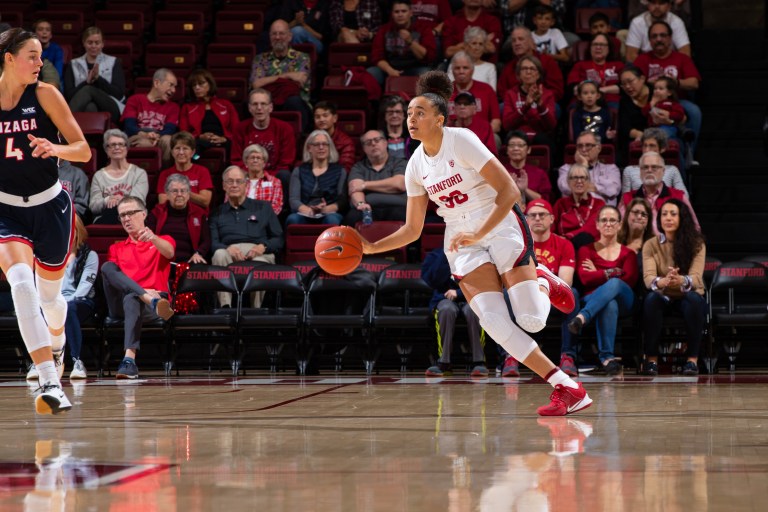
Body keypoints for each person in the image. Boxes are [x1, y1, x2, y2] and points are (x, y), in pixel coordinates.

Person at [361, 71, 591, 416]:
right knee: (495, 323)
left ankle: (542, 279)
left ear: (439, 119)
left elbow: (510, 191)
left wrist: (481, 231)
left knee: (531, 320)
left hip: (499, 224)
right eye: (408, 113)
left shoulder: (462, 140)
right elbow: (411, 230)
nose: (411, 118)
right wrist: (367, 249)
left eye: (419, 112)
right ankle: (566, 387)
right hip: (461, 239)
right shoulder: (414, 167)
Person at [0, 28, 91, 414]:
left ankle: (57, 346)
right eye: (33, 56)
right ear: (9, 58)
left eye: (41, 56)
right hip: (5, 209)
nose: (41, 63)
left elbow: (84, 151)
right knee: (21, 285)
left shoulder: (46, 95)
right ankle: (50, 382)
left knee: (51, 300)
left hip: (50, 206)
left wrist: (55, 147)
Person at [501, 199, 577, 378]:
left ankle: (568, 356)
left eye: (542, 215)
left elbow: (566, 281)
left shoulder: (564, 244)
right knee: (504, 295)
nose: (537, 218)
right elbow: (507, 280)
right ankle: (510, 356)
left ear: (551, 219)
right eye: (532, 215)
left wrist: (541, 289)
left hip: (553, 297)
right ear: (525, 220)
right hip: (522, 294)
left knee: (573, 294)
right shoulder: (516, 245)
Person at [102, 196, 176, 379]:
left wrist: (153, 238)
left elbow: (170, 252)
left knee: (131, 298)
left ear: (143, 214)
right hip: (132, 302)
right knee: (107, 267)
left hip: (153, 306)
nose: (126, 219)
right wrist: (145, 293)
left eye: (130, 213)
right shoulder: (117, 248)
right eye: (122, 215)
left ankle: (129, 360)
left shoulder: (162, 240)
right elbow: (114, 280)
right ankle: (147, 298)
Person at [568, 206, 639, 376]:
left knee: (615, 284)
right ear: (597, 225)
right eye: (604, 220)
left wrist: (599, 274)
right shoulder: (586, 250)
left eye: (612, 220)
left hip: (625, 299)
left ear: (619, 225)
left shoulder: (628, 253)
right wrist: (614, 271)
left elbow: (628, 280)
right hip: (593, 298)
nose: (608, 224)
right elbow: (585, 278)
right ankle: (607, 358)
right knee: (609, 303)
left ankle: (582, 317)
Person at [641, 198, 706, 376]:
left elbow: (696, 278)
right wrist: (662, 282)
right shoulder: (651, 244)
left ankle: (692, 361)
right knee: (651, 299)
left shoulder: (697, 243)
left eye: (673, 214)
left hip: (687, 295)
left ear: (682, 217)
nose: (668, 218)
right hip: (664, 295)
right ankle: (652, 360)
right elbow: (648, 278)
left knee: (694, 300)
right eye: (664, 214)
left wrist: (682, 280)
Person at [210, 166, 284, 308]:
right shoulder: (217, 212)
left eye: (239, 181)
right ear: (224, 186)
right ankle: (225, 308)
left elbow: (279, 238)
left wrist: (263, 247)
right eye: (230, 181)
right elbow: (213, 243)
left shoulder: (263, 207)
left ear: (246, 184)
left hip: (259, 251)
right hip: (229, 251)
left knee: (259, 262)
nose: (234, 185)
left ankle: (256, 310)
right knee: (219, 254)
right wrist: (227, 248)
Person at [422, 248, 488, 377]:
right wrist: (445, 255)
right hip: (444, 298)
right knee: (446, 310)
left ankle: (479, 362)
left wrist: (458, 293)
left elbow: (483, 281)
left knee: (473, 310)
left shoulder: (477, 253)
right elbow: (433, 280)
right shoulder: (435, 255)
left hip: (471, 297)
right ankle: (444, 362)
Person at [250, 20, 312, 132]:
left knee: (294, 101)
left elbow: (300, 80)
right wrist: (288, 75)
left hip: (292, 103)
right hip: (267, 102)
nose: (277, 37)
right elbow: (256, 84)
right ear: (269, 37)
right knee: (252, 102)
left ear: (289, 36)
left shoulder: (302, 58)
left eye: (281, 33)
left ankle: (297, 139)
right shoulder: (260, 59)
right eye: (274, 34)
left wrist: (269, 80)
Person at [618, 151, 699, 234]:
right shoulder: (627, 198)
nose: (649, 170)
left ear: (663, 171)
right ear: (640, 172)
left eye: (654, 167)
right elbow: (619, 229)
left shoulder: (678, 196)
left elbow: (694, 228)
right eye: (645, 167)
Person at [60, 215, 98, 380]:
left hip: (81, 302)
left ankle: (77, 360)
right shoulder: (49, 255)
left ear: (78, 231)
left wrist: (60, 305)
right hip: (55, 302)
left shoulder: (90, 255)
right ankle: (38, 363)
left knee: (68, 309)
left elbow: (84, 288)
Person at [63, 26, 126, 125]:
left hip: (111, 106)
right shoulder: (73, 64)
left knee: (88, 89)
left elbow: (119, 94)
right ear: (84, 43)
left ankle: (63, 123)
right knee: (90, 106)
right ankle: (94, 139)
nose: (93, 46)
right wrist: (86, 82)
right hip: (84, 107)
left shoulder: (114, 62)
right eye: (90, 42)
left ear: (102, 44)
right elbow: (69, 95)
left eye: (97, 43)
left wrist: (98, 79)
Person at [366, 0, 437, 87]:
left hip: (415, 67)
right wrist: (390, 70)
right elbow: (377, 57)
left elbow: (429, 56)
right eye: (396, 12)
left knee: (426, 74)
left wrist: (410, 41)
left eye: (404, 11)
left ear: (410, 13)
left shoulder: (423, 29)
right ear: (392, 14)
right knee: (371, 73)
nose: (400, 14)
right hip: (391, 67)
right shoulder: (384, 30)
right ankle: (374, 100)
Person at [346, 130, 407, 226]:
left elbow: (399, 184)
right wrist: (361, 204)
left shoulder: (400, 163)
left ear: (385, 143)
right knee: (352, 217)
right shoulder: (358, 167)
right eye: (368, 142)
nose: (373, 144)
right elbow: (355, 188)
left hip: (398, 207)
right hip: (368, 208)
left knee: (409, 218)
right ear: (364, 148)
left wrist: (364, 185)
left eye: (377, 140)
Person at [230, 88, 296, 177]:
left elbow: (286, 162)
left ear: (270, 107)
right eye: (255, 104)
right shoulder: (240, 129)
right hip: (248, 175)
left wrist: (266, 176)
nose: (259, 108)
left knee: (284, 175)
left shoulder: (285, 129)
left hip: (275, 175)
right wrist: (253, 174)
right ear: (249, 108)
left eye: (263, 104)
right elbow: (236, 160)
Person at [286, 130, 347, 226]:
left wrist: (326, 209)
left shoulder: (339, 171)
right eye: (317, 144)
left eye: (325, 144)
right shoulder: (299, 170)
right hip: (305, 212)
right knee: (293, 219)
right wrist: (309, 210)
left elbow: (342, 200)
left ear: (329, 147)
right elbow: (294, 199)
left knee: (332, 220)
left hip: (329, 212)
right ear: (309, 148)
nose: (321, 147)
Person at [89, 129, 149, 224]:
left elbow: (138, 202)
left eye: (121, 144)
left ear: (126, 148)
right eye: (112, 145)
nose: (117, 147)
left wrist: (119, 200)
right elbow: (93, 206)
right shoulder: (98, 176)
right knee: (110, 213)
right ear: (106, 150)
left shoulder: (139, 173)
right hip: (105, 219)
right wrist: (107, 200)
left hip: (132, 218)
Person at [121, 68, 180, 164]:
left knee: (168, 140)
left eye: (175, 87)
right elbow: (129, 126)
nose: (173, 90)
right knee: (144, 143)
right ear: (157, 83)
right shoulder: (135, 100)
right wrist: (145, 135)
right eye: (171, 85)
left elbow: (170, 129)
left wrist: (157, 135)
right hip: (137, 135)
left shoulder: (173, 107)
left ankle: (164, 174)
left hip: (160, 136)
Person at [149, 174, 210, 264]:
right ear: (167, 194)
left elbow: (206, 240)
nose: (179, 194)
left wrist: (198, 253)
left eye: (183, 191)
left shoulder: (199, 213)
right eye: (174, 191)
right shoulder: (157, 212)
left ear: (189, 194)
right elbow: (149, 238)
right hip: (162, 260)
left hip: (190, 260)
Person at [179, 68, 240, 155]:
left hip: (224, 140)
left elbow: (237, 130)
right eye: (194, 85)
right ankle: (195, 162)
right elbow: (184, 133)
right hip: (199, 141)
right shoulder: (187, 107)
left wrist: (224, 138)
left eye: (201, 83)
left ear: (210, 84)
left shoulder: (226, 105)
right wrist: (200, 137)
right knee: (194, 148)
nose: (197, 87)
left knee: (234, 146)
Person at [502, 55, 557, 150]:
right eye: (524, 69)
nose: (528, 72)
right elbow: (507, 125)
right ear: (518, 74)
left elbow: (551, 126)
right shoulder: (511, 94)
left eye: (532, 69)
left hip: (539, 135)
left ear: (539, 74)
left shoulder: (547, 94)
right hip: (517, 135)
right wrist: (526, 106)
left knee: (544, 140)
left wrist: (540, 105)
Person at [498, 27, 563, 104]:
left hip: (542, 102)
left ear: (531, 42)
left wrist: (538, 99)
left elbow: (557, 90)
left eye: (521, 39)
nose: (517, 43)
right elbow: (502, 92)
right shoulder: (509, 67)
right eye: (513, 40)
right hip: (516, 105)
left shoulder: (547, 61)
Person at [557, 131, 621, 206]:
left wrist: (583, 188)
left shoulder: (611, 169)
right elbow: (566, 188)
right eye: (580, 146)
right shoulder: (566, 169)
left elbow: (613, 190)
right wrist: (583, 166)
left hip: (604, 214)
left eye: (588, 145)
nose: (584, 150)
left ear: (599, 148)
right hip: (576, 213)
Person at [156, 131, 214, 212]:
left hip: (198, 216)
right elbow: (162, 201)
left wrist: (179, 192)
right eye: (177, 148)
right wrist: (189, 195)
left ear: (192, 152)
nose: (181, 152)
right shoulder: (165, 174)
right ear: (172, 152)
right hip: (173, 216)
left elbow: (205, 201)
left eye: (185, 148)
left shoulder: (202, 171)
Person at [621, 127, 688, 196]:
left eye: (652, 146)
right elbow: (625, 199)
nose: (647, 150)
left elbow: (684, 195)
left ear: (662, 148)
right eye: (645, 146)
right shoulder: (629, 170)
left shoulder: (672, 170)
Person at [449, 51, 501, 135]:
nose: (461, 71)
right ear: (452, 70)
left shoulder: (486, 89)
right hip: (451, 137)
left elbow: (496, 122)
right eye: (457, 68)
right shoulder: (443, 91)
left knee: (495, 138)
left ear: (472, 70)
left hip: (481, 136)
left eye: (465, 68)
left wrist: (480, 137)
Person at [553, 164, 605, 248]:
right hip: (564, 247)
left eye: (583, 177)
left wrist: (568, 237)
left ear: (589, 182)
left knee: (584, 238)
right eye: (575, 178)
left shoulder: (599, 204)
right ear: (568, 182)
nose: (579, 181)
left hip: (592, 247)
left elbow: (593, 227)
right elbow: (551, 227)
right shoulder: (560, 204)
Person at [568, 33, 623, 111]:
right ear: (590, 48)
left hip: (611, 101)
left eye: (602, 45)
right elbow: (573, 88)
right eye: (595, 44)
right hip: (584, 101)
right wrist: (591, 93)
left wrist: (603, 90)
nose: (598, 47)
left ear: (609, 48)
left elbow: (624, 87)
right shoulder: (580, 65)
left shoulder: (619, 65)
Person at [625, 0, 690, 63]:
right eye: (653, 2)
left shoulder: (676, 22)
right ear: (648, 5)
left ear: (669, 6)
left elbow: (685, 53)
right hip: (645, 65)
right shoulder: (637, 22)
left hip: (670, 64)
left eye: (661, 3)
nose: (657, 7)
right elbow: (631, 56)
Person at [502, 131, 552, 205]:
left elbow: (545, 202)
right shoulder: (501, 171)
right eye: (512, 145)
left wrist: (525, 190)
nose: (516, 148)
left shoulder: (539, 173)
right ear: (507, 150)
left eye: (520, 145)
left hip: (534, 214)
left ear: (528, 149)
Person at [617, 66, 651, 165]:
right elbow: (624, 127)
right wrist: (640, 136)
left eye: (630, 81)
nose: (627, 87)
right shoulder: (624, 101)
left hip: (658, 136)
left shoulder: (656, 93)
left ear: (642, 79)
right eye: (623, 84)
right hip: (635, 139)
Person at [313, 101, 356, 172]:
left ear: (335, 118)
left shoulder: (345, 142)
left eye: (325, 116)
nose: (321, 119)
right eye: (317, 117)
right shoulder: (311, 139)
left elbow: (345, 169)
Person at [242, 144, 284, 216]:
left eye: (258, 158)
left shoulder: (275, 182)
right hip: (240, 220)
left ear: (264, 163)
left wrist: (256, 217)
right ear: (246, 162)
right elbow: (229, 203)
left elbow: (276, 207)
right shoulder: (237, 182)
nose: (255, 160)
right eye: (252, 158)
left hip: (263, 221)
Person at [642, 76, 685, 142]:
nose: (657, 91)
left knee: (662, 135)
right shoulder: (653, 103)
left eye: (661, 89)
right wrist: (651, 104)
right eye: (655, 89)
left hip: (668, 126)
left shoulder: (672, 103)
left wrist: (669, 114)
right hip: (652, 128)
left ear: (669, 92)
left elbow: (680, 115)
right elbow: (644, 113)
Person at [379, 95, 410, 159]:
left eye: (398, 112)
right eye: (390, 112)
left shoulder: (413, 138)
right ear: (385, 116)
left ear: (404, 115)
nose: (394, 115)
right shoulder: (377, 138)